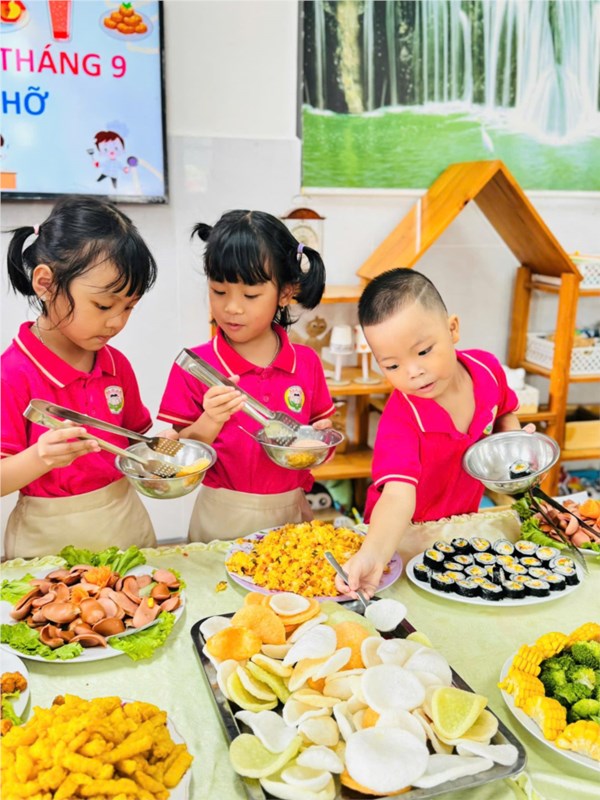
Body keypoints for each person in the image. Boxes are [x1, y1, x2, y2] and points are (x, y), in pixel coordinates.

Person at [336, 268, 530, 597]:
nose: (414, 372)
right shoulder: (400, 419)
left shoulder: (486, 370)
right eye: (392, 365)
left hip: (461, 526)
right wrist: (373, 556)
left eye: (424, 351)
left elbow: (504, 412)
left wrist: (514, 449)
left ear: (452, 329)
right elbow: (397, 496)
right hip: (400, 537)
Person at [158, 210, 335, 542]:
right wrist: (210, 419)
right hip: (219, 518)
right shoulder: (196, 366)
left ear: (285, 293)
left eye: (250, 295)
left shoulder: (306, 363)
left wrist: (320, 443)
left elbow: (316, 436)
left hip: (290, 516)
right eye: (219, 291)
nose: (232, 308)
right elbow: (179, 453)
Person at [1, 196, 159, 558]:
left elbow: (133, 444)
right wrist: (40, 457)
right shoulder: (12, 373)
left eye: (129, 307)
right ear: (45, 283)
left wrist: (156, 451)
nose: (116, 322)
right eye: (103, 305)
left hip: (124, 524)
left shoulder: (116, 366)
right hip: (47, 543)